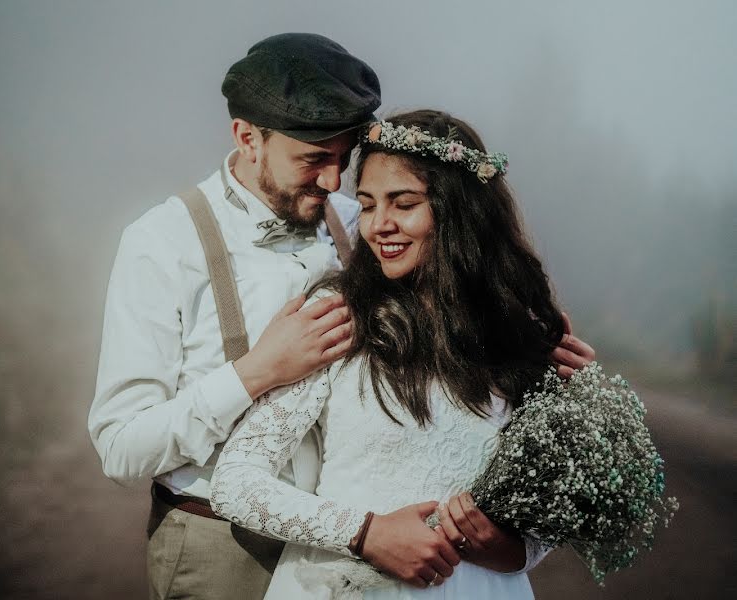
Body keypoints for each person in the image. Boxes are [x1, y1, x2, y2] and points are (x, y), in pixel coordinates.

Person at [90, 33, 594, 600]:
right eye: (313, 160)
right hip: (219, 541)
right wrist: (257, 372)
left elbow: (449, 272)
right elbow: (121, 448)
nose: (333, 182)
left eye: (342, 159)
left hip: (384, 553)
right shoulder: (161, 243)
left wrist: (529, 346)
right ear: (247, 138)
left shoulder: (364, 220)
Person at [210, 109, 591, 599]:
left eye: (403, 203)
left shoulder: (522, 333)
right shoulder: (340, 316)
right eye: (366, 205)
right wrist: (366, 533)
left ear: (457, 211)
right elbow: (236, 483)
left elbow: (538, 528)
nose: (378, 226)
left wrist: (505, 547)